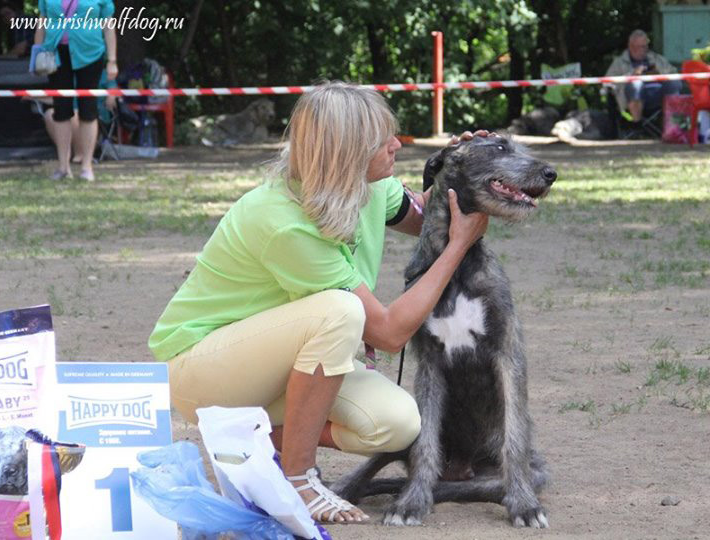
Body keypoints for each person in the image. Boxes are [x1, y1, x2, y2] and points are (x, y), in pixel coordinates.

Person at [148, 82, 489, 524]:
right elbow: (386, 332)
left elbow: (425, 216)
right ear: (345, 153)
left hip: (281, 366)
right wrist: (457, 248)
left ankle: (255, 438)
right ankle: (298, 478)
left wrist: (460, 171)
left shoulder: (370, 185)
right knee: (340, 310)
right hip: (205, 371)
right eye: (381, 140)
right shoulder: (280, 219)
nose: (396, 145)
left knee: (398, 423)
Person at [34, 0, 117, 181]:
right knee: (61, 110)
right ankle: (63, 167)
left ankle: (87, 167)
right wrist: (36, 55)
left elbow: (108, 24)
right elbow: (42, 22)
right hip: (55, 55)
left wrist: (112, 60)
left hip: (91, 53)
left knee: (88, 109)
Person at [605, 29, 681, 122]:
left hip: (658, 97)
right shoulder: (619, 63)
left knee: (673, 83)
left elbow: (673, 73)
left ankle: (673, 124)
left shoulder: (655, 58)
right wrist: (633, 75)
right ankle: (637, 125)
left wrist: (659, 75)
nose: (645, 49)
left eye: (646, 46)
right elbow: (607, 83)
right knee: (636, 84)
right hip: (631, 99)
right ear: (631, 47)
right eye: (642, 47)